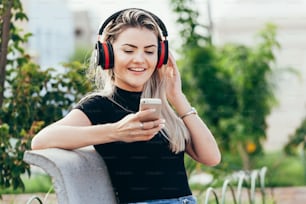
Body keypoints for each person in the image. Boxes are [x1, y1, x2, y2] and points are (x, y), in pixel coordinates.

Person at [31, 8, 221, 204]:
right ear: (108, 54)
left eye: (149, 51)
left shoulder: (162, 107)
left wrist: (177, 96)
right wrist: (116, 131)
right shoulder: (100, 105)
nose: (139, 59)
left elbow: (211, 157)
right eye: (129, 50)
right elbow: (41, 140)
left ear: (161, 56)